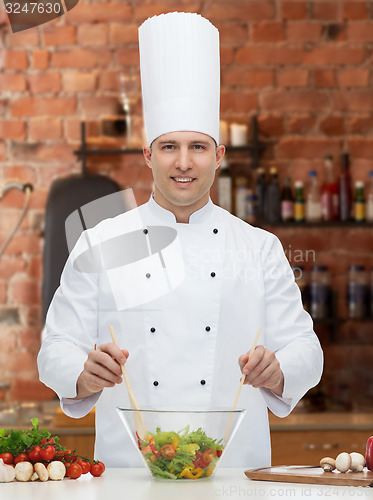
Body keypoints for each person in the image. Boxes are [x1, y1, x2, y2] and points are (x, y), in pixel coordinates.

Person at [38, 12, 323, 468]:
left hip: (235, 475)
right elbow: (54, 349)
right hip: (130, 478)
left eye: (198, 147)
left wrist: (281, 369)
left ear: (219, 156)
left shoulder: (258, 248)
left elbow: (307, 350)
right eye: (169, 146)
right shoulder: (101, 242)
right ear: (148, 154)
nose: (184, 162)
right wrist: (82, 374)